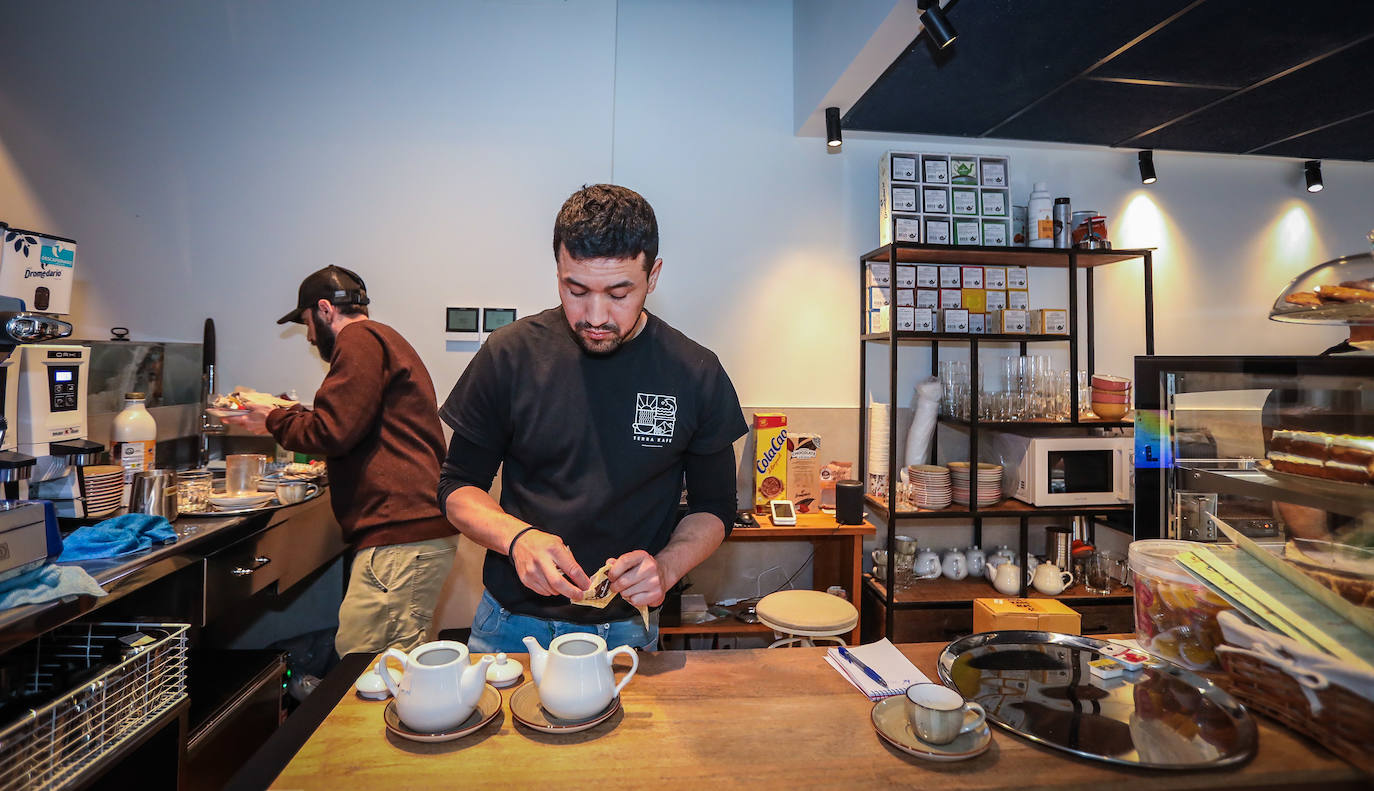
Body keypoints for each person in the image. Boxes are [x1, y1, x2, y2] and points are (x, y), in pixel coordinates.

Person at [438, 184, 746, 653]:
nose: (596, 316)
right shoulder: (510, 355)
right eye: (576, 290)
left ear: (653, 275)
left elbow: (715, 508)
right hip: (509, 624)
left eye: (619, 293)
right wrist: (516, 538)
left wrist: (664, 568)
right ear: (558, 271)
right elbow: (457, 487)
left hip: (625, 631)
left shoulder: (695, 371)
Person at [225, 265, 458, 657]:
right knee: (397, 659)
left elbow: (333, 431)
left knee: (364, 661)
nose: (310, 336)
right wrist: (286, 411)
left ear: (324, 310)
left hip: (400, 533)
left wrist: (274, 418)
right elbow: (350, 419)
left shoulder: (359, 339)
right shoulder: (380, 339)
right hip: (411, 530)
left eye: (306, 324)